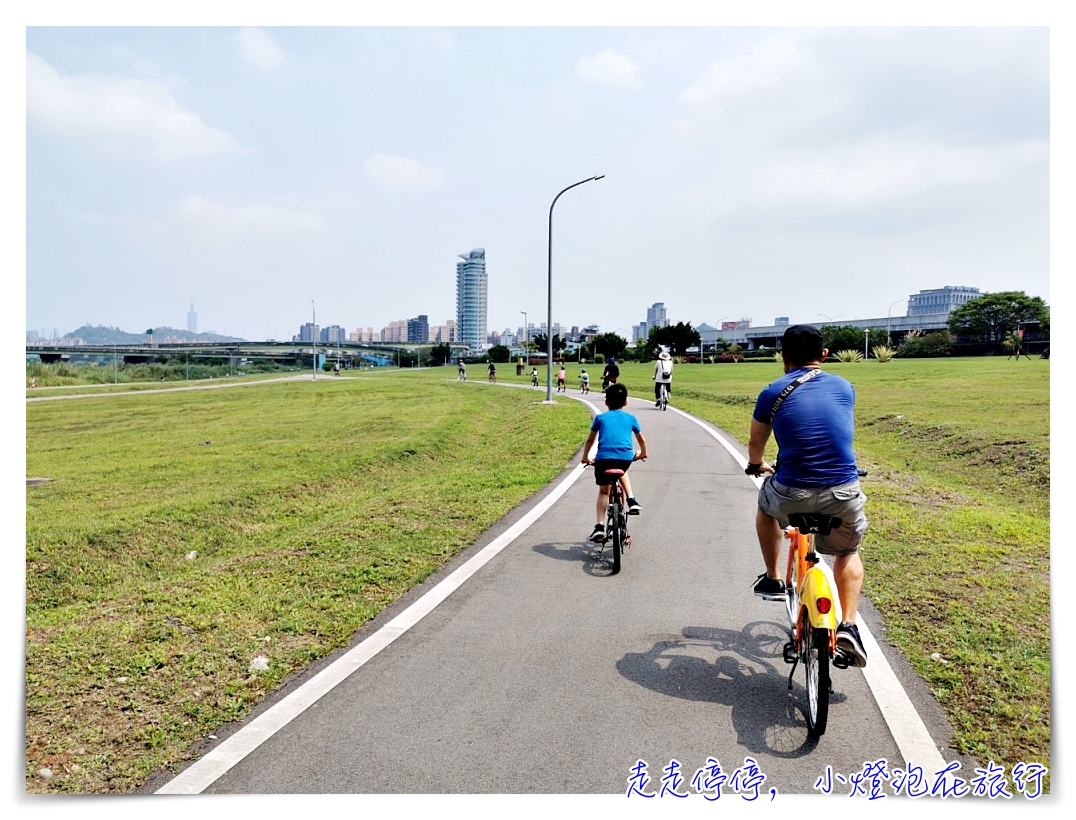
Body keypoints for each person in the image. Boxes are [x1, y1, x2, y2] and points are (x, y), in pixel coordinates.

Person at [744, 324, 868, 668]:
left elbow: (757, 445)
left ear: (782, 356)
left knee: (765, 507)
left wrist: (756, 465)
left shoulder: (772, 391)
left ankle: (772, 578)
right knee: (848, 551)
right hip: (842, 491)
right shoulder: (844, 386)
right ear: (824, 356)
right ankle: (849, 626)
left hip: (790, 492)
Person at [581, 382, 646, 543]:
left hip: (603, 459)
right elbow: (641, 440)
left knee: (604, 491)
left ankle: (599, 526)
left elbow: (590, 440)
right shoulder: (631, 418)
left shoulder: (600, 418)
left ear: (606, 402)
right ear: (626, 402)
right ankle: (632, 500)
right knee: (623, 471)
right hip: (624, 459)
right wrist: (642, 453)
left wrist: (585, 457)